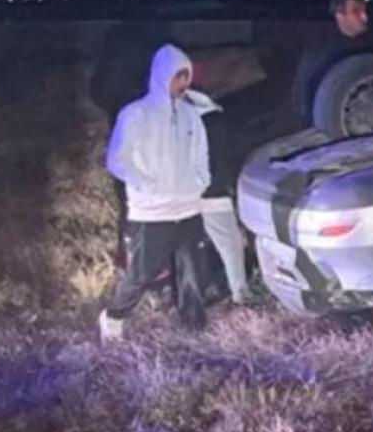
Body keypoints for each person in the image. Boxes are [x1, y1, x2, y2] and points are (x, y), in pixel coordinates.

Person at [99, 44, 211, 341]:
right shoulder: (135, 114)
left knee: (193, 273)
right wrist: (145, 184)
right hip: (151, 212)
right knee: (142, 275)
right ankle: (114, 317)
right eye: (179, 76)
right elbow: (116, 159)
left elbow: (201, 155)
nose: (184, 84)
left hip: (188, 208)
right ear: (163, 75)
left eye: (187, 77)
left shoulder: (191, 116)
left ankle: (194, 326)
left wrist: (199, 182)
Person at [184, 89, 256, 305]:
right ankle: (241, 295)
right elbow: (223, 162)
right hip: (213, 195)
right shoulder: (214, 124)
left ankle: (196, 296)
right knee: (230, 246)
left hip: (184, 196)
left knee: (194, 249)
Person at [290, 0, 370, 125]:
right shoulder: (321, 52)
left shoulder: (367, 46)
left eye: (364, 10)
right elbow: (302, 96)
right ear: (340, 15)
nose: (364, 17)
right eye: (356, 12)